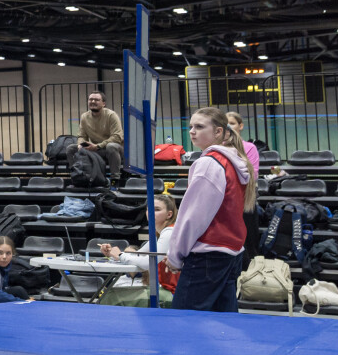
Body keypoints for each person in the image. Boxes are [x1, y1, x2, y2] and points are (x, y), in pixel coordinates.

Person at [166, 107, 251, 312]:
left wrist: (175, 256)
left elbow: (193, 218)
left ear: (218, 132)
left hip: (207, 255)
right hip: (230, 253)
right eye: (191, 126)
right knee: (223, 323)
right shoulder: (233, 161)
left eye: (199, 126)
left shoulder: (209, 163)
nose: (192, 131)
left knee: (183, 322)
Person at [100, 194, 178, 304]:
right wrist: (112, 253)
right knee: (112, 294)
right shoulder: (159, 235)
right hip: (164, 290)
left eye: (157, 209)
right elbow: (137, 255)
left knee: (112, 296)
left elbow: (147, 262)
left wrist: (121, 255)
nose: (150, 213)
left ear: (169, 214)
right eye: (148, 209)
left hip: (172, 294)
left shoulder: (169, 232)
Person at [226, 111, 262, 271]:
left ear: (240, 126)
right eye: (225, 124)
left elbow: (252, 174)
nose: (228, 127)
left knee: (248, 237)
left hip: (245, 196)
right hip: (226, 198)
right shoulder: (219, 148)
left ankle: (251, 272)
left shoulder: (249, 147)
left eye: (232, 123)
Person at [77, 91, 124, 180]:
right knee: (71, 148)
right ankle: (78, 177)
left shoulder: (111, 115)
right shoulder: (84, 117)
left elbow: (117, 137)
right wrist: (80, 144)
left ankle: (115, 179)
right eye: (90, 99)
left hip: (113, 149)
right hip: (96, 149)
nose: (93, 101)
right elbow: (81, 136)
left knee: (111, 146)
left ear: (103, 104)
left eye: (96, 100)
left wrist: (98, 146)